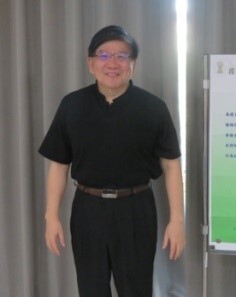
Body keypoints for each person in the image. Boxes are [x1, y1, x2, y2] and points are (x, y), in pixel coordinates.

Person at [39, 25, 185, 297]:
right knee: (91, 288)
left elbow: (171, 165)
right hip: (87, 209)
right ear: (90, 63)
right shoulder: (72, 105)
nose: (112, 63)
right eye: (104, 55)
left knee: (136, 289)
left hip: (136, 210)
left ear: (133, 63)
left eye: (121, 55)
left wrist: (177, 220)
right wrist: (51, 216)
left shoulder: (153, 108)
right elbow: (59, 164)